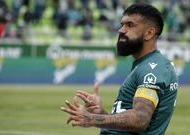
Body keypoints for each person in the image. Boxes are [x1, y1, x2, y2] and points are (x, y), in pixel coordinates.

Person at [61, 3, 178, 135]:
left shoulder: (153, 68)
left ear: (149, 33)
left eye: (130, 25)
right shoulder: (145, 65)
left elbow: (140, 119)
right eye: (122, 24)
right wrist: (101, 113)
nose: (121, 30)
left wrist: (92, 118)